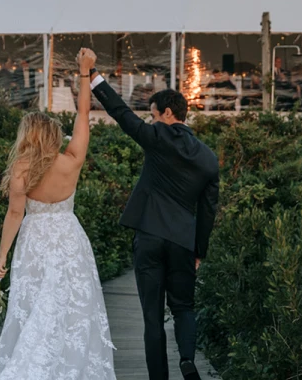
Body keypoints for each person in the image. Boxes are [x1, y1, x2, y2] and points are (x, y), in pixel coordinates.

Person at [82, 47, 220, 380]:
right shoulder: (208, 158)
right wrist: (199, 250)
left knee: (152, 318)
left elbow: (120, 112)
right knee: (184, 308)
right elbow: (208, 210)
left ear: (169, 113)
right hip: (183, 243)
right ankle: (187, 360)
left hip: (149, 239)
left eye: (154, 114)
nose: (150, 120)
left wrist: (92, 76)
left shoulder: (157, 136)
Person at [0, 50, 115, 379]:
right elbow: (84, 116)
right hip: (70, 240)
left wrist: (2, 256)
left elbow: (15, 214)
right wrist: (85, 73)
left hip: (36, 242)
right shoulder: (71, 160)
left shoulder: (22, 169)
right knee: (71, 312)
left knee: (35, 311)